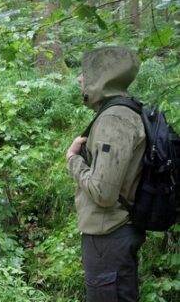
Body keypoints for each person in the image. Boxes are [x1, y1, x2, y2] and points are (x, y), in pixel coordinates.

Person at [66, 46, 146, 302]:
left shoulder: (115, 119)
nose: (80, 79)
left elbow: (103, 192)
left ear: (102, 77)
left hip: (110, 236)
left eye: (85, 73)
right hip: (112, 234)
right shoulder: (119, 112)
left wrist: (73, 160)